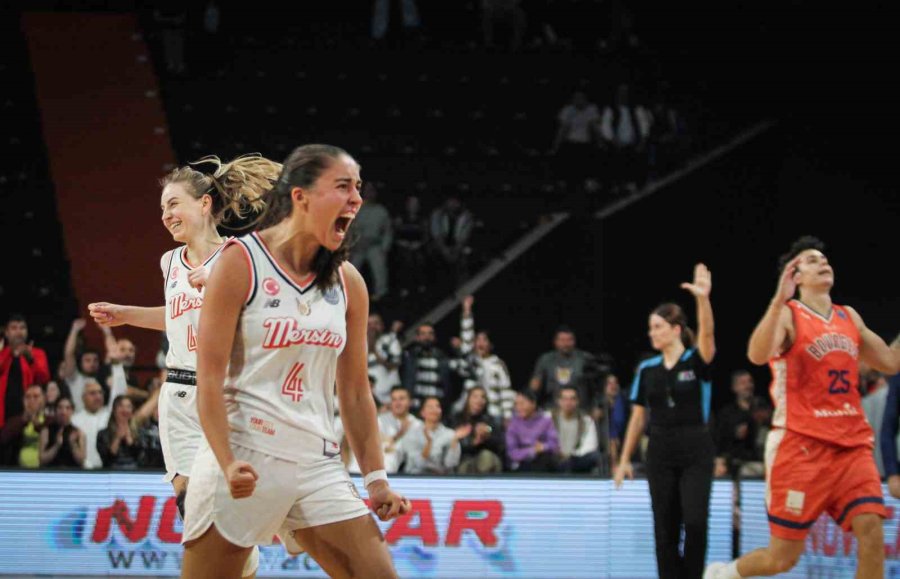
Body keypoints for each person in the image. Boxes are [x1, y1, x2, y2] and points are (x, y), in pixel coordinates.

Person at [181, 144, 409, 579]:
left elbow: (357, 392)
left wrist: (376, 478)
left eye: (358, 188)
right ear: (300, 197)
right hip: (245, 455)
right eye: (343, 187)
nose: (357, 199)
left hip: (316, 461)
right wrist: (226, 460)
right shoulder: (240, 262)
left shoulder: (349, 283)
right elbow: (207, 380)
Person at [89, 154, 279, 574]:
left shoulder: (239, 256)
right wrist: (126, 314)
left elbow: (265, 317)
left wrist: (218, 286)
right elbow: (176, 315)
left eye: (173, 204)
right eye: (162, 209)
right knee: (190, 504)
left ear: (205, 204)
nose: (166, 215)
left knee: (228, 505)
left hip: (225, 395)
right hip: (176, 397)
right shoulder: (169, 262)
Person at [705, 237, 899, 579]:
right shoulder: (788, 315)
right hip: (801, 446)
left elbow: (889, 362)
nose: (823, 262)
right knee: (782, 559)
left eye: (824, 258)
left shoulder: (848, 317)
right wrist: (779, 301)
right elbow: (756, 354)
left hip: (852, 446)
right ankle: (725, 574)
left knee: (871, 530)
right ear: (795, 275)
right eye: (811, 260)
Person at [615, 263, 716, 579]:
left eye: (657, 326)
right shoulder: (647, 369)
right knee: (665, 526)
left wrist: (703, 299)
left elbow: (708, 337)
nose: (652, 333)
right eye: (650, 328)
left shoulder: (696, 361)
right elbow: (637, 417)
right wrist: (623, 460)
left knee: (695, 522)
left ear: (675, 329)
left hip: (695, 447)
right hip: (659, 449)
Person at [401, 396, 464, 475]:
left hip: (440, 479)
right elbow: (419, 464)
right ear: (422, 412)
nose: (435, 410)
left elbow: (450, 464)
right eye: (430, 407)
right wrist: (428, 443)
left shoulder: (450, 434)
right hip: (415, 477)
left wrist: (454, 441)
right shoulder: (412, 433)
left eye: (437, 406)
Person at [452, 386, 504, 473]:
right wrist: (472, 442)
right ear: (468, 399)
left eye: (482, 397)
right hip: (464, 459)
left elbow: (500, 444)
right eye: (475, 396)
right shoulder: (457, 418)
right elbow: (452, 446)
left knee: (486, 458)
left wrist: (488, 434)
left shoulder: (490, 420)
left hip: (486, 460)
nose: (479, 400)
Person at [40, 395, 86, 468]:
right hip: (52, 473)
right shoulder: (46, 431)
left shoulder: (78, 432)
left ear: (72, 411)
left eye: (68, 408)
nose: (63, 412)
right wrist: (56, 446)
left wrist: (73, 444)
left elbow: (81, 461)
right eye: (60, 408)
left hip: (72, 474)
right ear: (55, 410)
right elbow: (42, 459)